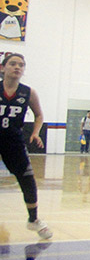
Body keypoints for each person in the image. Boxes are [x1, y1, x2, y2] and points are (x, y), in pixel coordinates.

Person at [0, 54, 52, 239]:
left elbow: (38, 115)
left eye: (21, 65)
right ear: (2, 68)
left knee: (28, 180)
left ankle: (33, 220)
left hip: (13, 141)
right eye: (13, 64)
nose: (17, 67)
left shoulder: (28, 92)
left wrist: (36, 132)